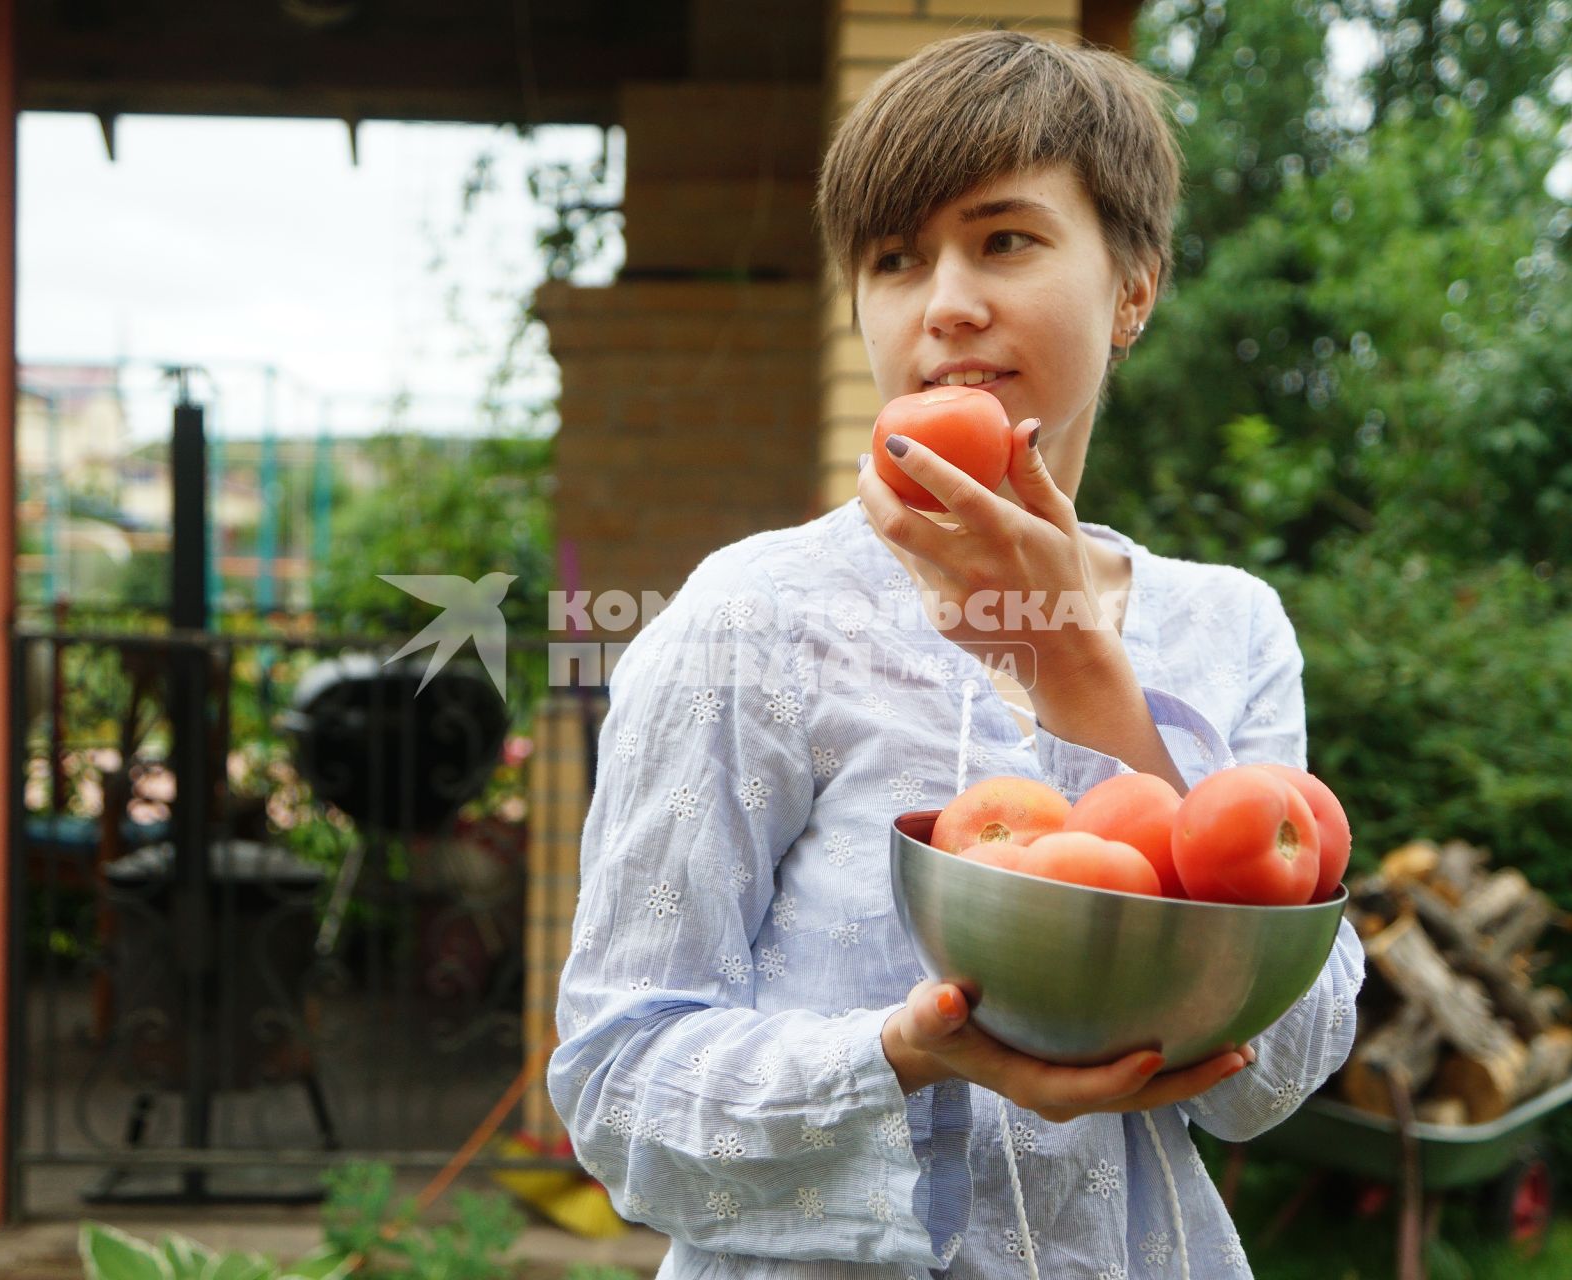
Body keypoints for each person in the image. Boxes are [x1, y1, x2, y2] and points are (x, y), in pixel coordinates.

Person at [546, 28, 1363, 1279]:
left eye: (1005, 239)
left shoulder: (1225, 625)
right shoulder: (750, 619)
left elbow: (1275, 1071)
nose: (944, 305)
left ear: (1132, 286)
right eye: (892, 260)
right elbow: (614, 1089)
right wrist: (902, 1053)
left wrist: (1092, 691)